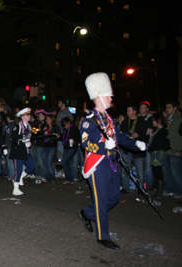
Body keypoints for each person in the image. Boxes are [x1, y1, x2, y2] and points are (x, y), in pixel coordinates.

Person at [78, 72, 146, 250]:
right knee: (101, 201)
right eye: (109, 96)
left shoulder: (108, 119)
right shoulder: (89, 121)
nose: (111, 99)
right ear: (100, 96)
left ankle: (87, 212)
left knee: (115, 197)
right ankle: (103, 237)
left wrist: (135, 144)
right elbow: (87, 144)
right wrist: (104, 147)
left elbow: (119, 137)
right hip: (97, 164)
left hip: (111, 163)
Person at [119, 105, 149, 192]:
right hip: (127, 149)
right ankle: (126, 187)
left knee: (139, 170)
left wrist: (138, 135)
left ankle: (140, 188)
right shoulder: (125, 122)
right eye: (127, 111)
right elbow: (122, 135)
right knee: (125, 169)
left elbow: (146, 136)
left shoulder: (141, 122)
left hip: (137, 150)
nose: (128, 113)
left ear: (135, 111)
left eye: (129, 111)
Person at [9, 108, 36, 196]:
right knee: (18, 170)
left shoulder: (28, 126)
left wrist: (28, 142)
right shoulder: (18, 126)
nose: (29, 116)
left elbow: (29, 136)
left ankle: (20, 177)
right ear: (22, 116)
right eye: (27, 115)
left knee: (31, 166)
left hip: (25, 151)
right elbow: (13, 140)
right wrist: (22, 141)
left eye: (29, 115)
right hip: (17, 151)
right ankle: (15, 189)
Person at [162, 100, 182, 197]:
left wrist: (178, 149)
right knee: (167, 172)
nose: (167, 109)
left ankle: (179, 191)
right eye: (167, 107)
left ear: (175, 108)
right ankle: (170, 189)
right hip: (166, 149)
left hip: (174, 150)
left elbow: (179, 136)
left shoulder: (178, 120)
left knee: (176, 173)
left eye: (170, 107)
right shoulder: (166, 119)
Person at [146, 114, 168, 199]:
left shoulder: (162, 131)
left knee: (158, 173)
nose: (152, 122)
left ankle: (159, 193)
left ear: (158, 121)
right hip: (154, 154)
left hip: (158, 155)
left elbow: (158, 144)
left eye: (153, 120)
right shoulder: (157, 130)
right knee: (156, 172)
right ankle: (158, 192)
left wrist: (149, 147)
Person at [60, 117, 80, 185]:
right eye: (64, 126)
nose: (65, 127)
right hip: (66, 147)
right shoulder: (65, 130)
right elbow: (63, 138)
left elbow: (78, 137)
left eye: (65, 125)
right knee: (67, 163)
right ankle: (70, 178)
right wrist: (59, 137)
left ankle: (69, 179)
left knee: (65, 162)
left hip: (72, 148)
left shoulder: (74, 128)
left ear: (69, 122)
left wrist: (75, 141)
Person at [138, 101, 154, 188]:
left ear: (147, 109)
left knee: (148, 164)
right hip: (139, 143)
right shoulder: (137, 118)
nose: (141, 109)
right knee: (140, 165)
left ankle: (149, 183)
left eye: (144, 108)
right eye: (141, 107)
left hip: (147, 144)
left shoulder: (151, 118)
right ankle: (141, 184)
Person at [30, 109, 49, 181]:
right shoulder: (38, 123)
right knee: (34, 159)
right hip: (35, 143)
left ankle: (43, 175)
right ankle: (36, 173)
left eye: (40, 115)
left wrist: (38, 131)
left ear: (44, 116)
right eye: (39, 115)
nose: (39, 116)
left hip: (40, 144)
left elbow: (43, 133)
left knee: (40, 160)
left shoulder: (44, 124)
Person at [42, 114, 60, 183]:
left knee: (49, 162)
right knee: (45, 162)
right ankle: (47, 178)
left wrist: (55, 136)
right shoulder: (45, 127)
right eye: (46, 119)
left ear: (52, 120)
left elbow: (58, 136)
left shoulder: (55, 127)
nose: (47, 120)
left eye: (48, 119)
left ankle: (53, 178)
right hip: (46, 146)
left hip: (52, 146)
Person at [4, 112, 17, 181]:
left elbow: (8, 136)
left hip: (9, 145)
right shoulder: (17, 124)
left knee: (10, 161)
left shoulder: (10, 125)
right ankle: (16, 175)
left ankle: (12, 176)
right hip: (15, 145)